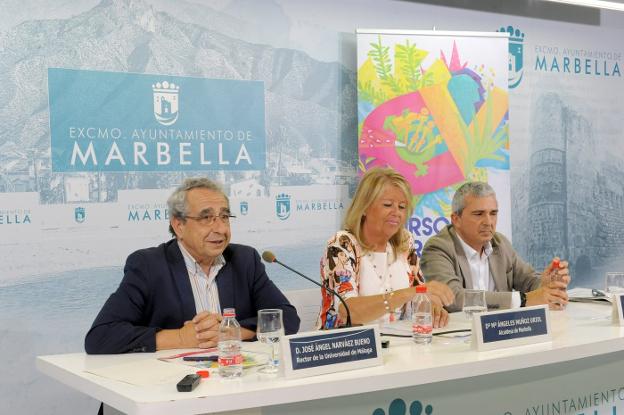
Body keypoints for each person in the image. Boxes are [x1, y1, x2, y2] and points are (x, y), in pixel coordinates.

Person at [85, 177, 300, 354]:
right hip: (168, 389)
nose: (220, 228)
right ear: (179, 226)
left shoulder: (244, 260)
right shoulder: (149, 265)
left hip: (234, 380)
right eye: (206, 218)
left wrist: (231, 333)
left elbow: (287, 318)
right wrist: (180, 338)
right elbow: (101, 336)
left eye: (224, 217)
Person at [317, 167, 454, 329]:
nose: (396, 212)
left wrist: (434, 306)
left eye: (402, 207)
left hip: (398, 343)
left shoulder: (405, 242)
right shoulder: (342, 244)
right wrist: (410, 293)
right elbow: (348, 312)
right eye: (388, 205)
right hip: (350, 346)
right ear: (365, 207)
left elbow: (421, 295)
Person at [421, 181, 570, 312]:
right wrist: (521, 300)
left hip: (501, 333)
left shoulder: (499, 243)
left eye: (493, 213)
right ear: (456, 219)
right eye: (479, 214)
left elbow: (528, 281)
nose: (488, 222)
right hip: (459, 337)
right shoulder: (437, 248)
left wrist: (545, 285)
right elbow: (453, 298)